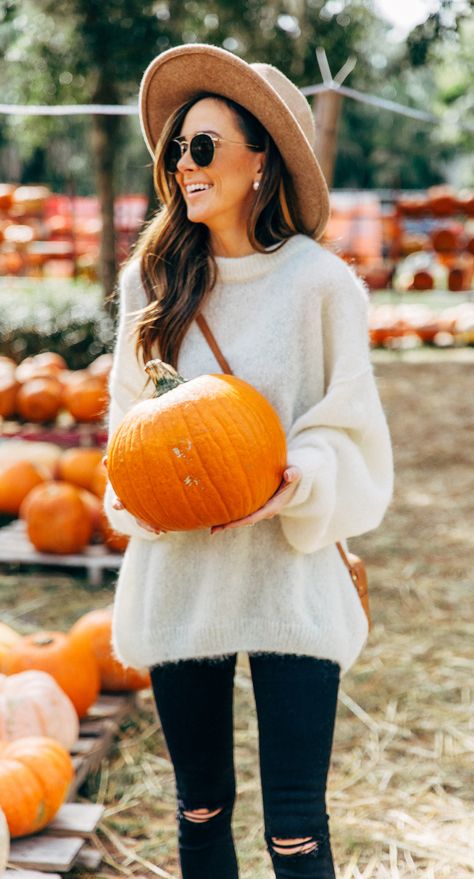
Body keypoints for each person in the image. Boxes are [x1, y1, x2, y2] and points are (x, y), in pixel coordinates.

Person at [104, 44, 393, 879]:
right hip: (182, 575)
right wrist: (140, 499)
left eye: (203, 147)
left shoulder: (320, 285)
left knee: (296, 827)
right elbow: (128, 429)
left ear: (259, 157)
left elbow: (350, 428)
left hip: (287, 575)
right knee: (199, 810)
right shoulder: (152, 283)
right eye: (176, 151)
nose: (184, 167)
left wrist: (300, 475)